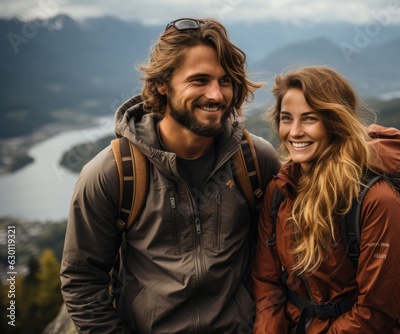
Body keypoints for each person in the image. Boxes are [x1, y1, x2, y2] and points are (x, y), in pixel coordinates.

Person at [60, 17, 281, 333]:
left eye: (225, 81)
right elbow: (82, 279)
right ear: (162, 83)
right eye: (199, 80)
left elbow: (278, 261)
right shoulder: (114, 172)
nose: (216, 95)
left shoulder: (255, 162)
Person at [252, 66, 400, 333]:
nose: (294, 132)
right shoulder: (280, 190)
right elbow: (267, 283)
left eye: (310, 119)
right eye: (286, 118)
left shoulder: (377, 200)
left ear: (335, 123)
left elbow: (376, 312)